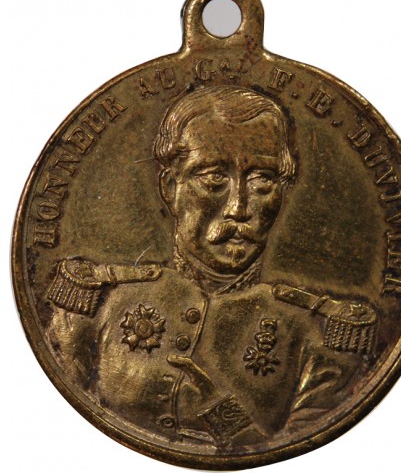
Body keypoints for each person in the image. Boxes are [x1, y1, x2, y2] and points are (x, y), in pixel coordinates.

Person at [47, 86, 377, 449]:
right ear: (170, 187)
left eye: (262, 181)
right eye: (214, 178)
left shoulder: (318, 335)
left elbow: (301, 452)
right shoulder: (98, 305)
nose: (239, 208)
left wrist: (224, 416)